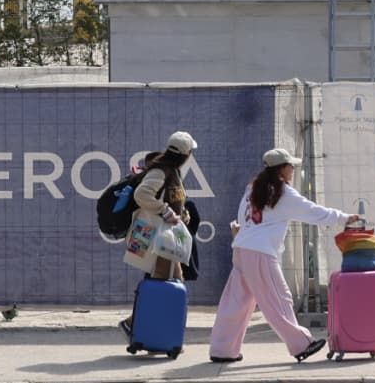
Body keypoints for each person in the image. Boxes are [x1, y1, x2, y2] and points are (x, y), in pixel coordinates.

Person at [208, 148, 360, 364]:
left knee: (235, 302)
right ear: (283, 168)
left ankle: (222, 349)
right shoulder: (283, 193)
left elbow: (242, 216)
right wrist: (343, 218)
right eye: (292, 166)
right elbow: (313, 211)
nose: (294, 169)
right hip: (260, 252)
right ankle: (301, 344)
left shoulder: (253, 188)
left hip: (242, 248)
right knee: (279, 299)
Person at [119, 131, 197, 339]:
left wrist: (183, 213)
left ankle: (157, 328)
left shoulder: (172, 171)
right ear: (185, 154)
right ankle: (137, 325)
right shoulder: (161, 171)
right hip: (157, 236)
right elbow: (142, 194)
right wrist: (164, 210)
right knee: (162, 280)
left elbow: (175, 198)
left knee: (174, 280)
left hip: (167, 236)